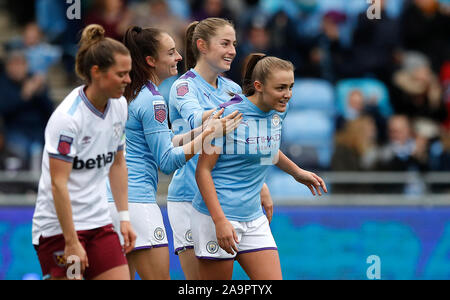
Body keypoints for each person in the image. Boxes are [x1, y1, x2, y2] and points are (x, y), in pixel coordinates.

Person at [107, 25, 242, 280]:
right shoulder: (154, 100)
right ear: (150, 60)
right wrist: (207, 134)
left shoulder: (128, 94)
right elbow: (167, 162)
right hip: (137, 204)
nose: (179, 57)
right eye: (170, 53)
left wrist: (202, 131)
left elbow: (163, 139)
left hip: (111, 202)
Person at [193, 53, 327, 280]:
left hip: (254, 217)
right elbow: (202, 171)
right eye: (281, 88)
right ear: (259, 86)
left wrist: (297, 172)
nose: (288, 95)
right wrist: (219, 221)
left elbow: (266, 149)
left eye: (291, 87)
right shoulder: (228, 115)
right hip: (217, 216)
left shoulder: (277, 114)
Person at [167, 17, 274, 280]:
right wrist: (231, 112)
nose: (233, 51)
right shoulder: (183, 86)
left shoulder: (232, 89)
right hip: (189, 199)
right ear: (202, 46)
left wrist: (261, 185)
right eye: (225, 43)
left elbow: (245, 143)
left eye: (234, 44)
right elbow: (197, 120)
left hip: (231, 199)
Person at [31, 24, 136, 280]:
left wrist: (124, 217)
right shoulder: (68, 119)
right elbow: (58, 184)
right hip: (58, 228)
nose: (128, 80)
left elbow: (118, 163)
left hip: (98, 224)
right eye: (121, 74)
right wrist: (71, 241)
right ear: (96, 72)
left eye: (129, 73)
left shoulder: (120, 105)